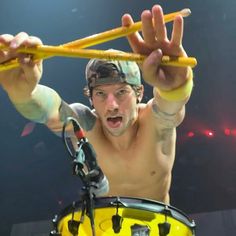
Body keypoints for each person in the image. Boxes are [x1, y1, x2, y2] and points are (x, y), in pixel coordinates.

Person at [0, 5, 193, 204]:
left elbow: (171, 103)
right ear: (90, 98)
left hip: (158, 229)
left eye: (121, 92)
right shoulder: (84, 124)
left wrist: (178, 85)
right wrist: (23, 94)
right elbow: (48, 110)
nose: (112, 105)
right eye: (100, 94)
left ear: (139, 93)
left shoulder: (155, 122)